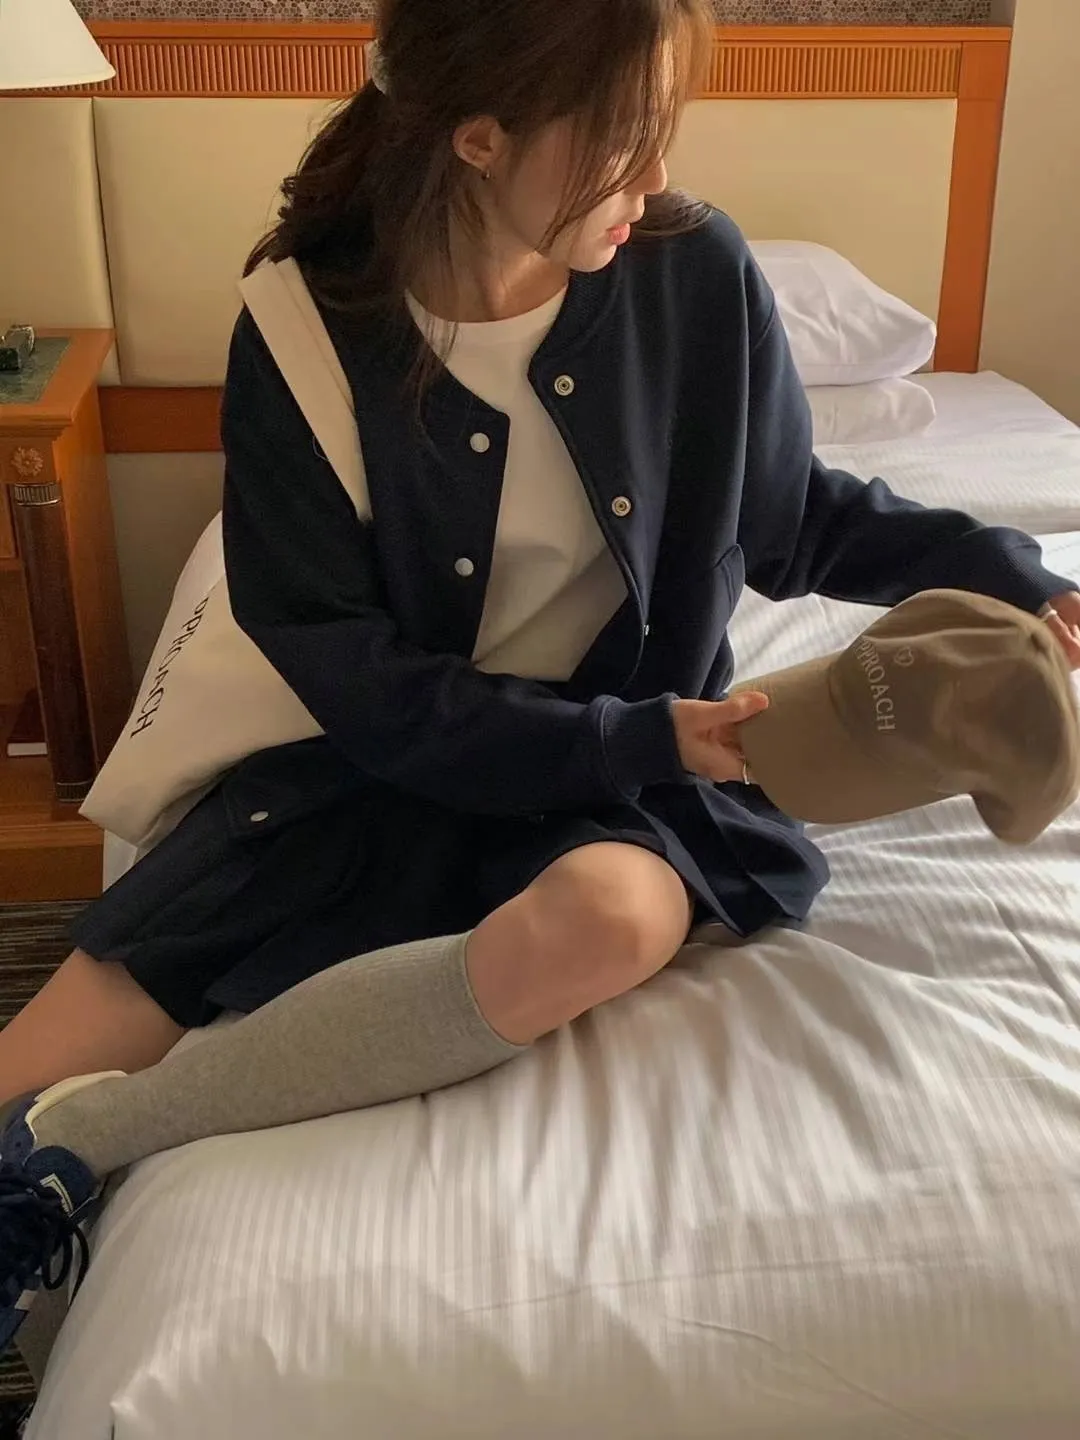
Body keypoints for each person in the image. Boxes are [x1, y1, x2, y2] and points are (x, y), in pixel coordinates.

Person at [1, 0, 1078, 1354]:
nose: (656, 179)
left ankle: (89, 1141)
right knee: (28, 1051)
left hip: (627, 774)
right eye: (623, 143)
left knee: (609, 921)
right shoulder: (300, 331)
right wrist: (635, 739)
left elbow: (793, 515)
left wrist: (1015, 574)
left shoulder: (696, 274)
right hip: (376, 764)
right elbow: (350, 670)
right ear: (479, 135)